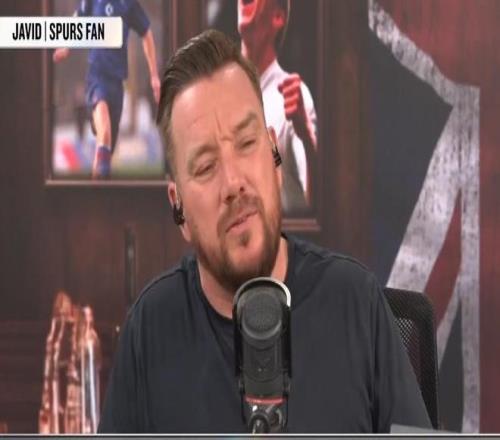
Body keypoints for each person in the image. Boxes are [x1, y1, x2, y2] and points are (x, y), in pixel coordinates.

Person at [98, 30, 431, 433]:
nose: (233, 183)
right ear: (178, 207)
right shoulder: (149, 331)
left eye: (246, 143)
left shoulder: (356, 303)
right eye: (205, 167)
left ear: (275, 156)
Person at [53, 0, 160, 179]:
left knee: (105, 152)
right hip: (96, 78)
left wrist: (154, 75)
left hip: (117, 84)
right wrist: (66, 46)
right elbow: (78, 17)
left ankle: (98, 188)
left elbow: (146, 34)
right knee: (105, 132)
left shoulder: (128, 5)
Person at [237, 0, 317, 214]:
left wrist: (307, 136)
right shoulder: (219, 96)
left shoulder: (294, 99)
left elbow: (317, 202)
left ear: (278, 17)